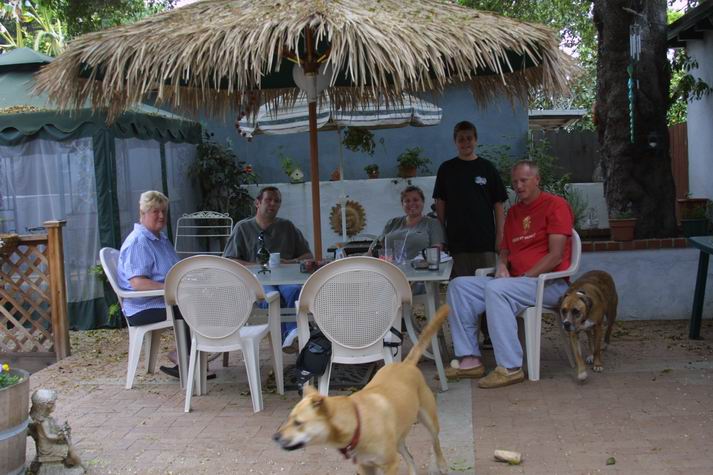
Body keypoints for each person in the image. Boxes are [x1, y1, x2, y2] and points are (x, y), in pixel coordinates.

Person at [445, 160, 573, 388]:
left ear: (537, 180)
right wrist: (502, 265)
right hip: (515, 283)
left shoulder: (555, 205)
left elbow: (555, 256)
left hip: (549, 284)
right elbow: (505, 249)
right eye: (514, 182)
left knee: (497, 289)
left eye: (524, 180)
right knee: (459, 286)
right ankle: (469, 359)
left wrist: (525, 277)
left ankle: (510, 367)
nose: (518, 186)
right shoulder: (514, 212)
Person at [223, 186, 313, 352]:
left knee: (294, 290)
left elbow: (307, 255)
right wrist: (256, 266)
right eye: (268, 199)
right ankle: (291, 334)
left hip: (286, 279)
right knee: (271, 297)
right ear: (257, 203)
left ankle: (291, 335)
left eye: (277, 201)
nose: (273, 203)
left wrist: (290, 261)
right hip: (258, 282)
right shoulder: (243, 228)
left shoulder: (287, 227)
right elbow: (229, 260)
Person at [117, 190, 193, 379]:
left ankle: (191, 357)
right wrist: (172, 289)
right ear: (142, 213)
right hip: (142, 307)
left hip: (163, 300)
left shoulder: (160, 238)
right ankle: (186, 360)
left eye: (164, 211)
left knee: (199, 299)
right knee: (189, 306)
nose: (161, 216)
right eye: (155, 211)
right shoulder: (139, 242)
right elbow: (138, 283)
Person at [433, 120, 508, 278]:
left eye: (469, 138)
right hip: (457, 242)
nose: (465, 142)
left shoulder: (487, 168)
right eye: (461, 139)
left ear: (476, 140)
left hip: (485, 240)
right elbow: (440, 204)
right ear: (455, 142)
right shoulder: (446, 169)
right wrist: (441, 236)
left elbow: (498, 204)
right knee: (461, 285)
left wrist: (500, 236)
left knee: (487, 284)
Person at [379, 185, 445, 261]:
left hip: (420, 267)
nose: (411, 203)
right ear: (402, 204)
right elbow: (380, 248)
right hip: (390, 267)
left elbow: (436, 252)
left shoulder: (433, 223)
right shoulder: (392, 222)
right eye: (407, 201)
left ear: (423, 202)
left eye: (415, 200)